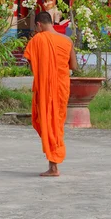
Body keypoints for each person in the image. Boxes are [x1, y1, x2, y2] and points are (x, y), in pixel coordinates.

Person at [24, 11, 77, 177]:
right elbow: (73, 66)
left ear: (39, 25)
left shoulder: (37, 40)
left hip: (45, 90)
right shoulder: (67, 40)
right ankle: (53, 163)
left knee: (47, 121)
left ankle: (53, 167)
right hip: (61, 89)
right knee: (57, 123)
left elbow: (34, 68)